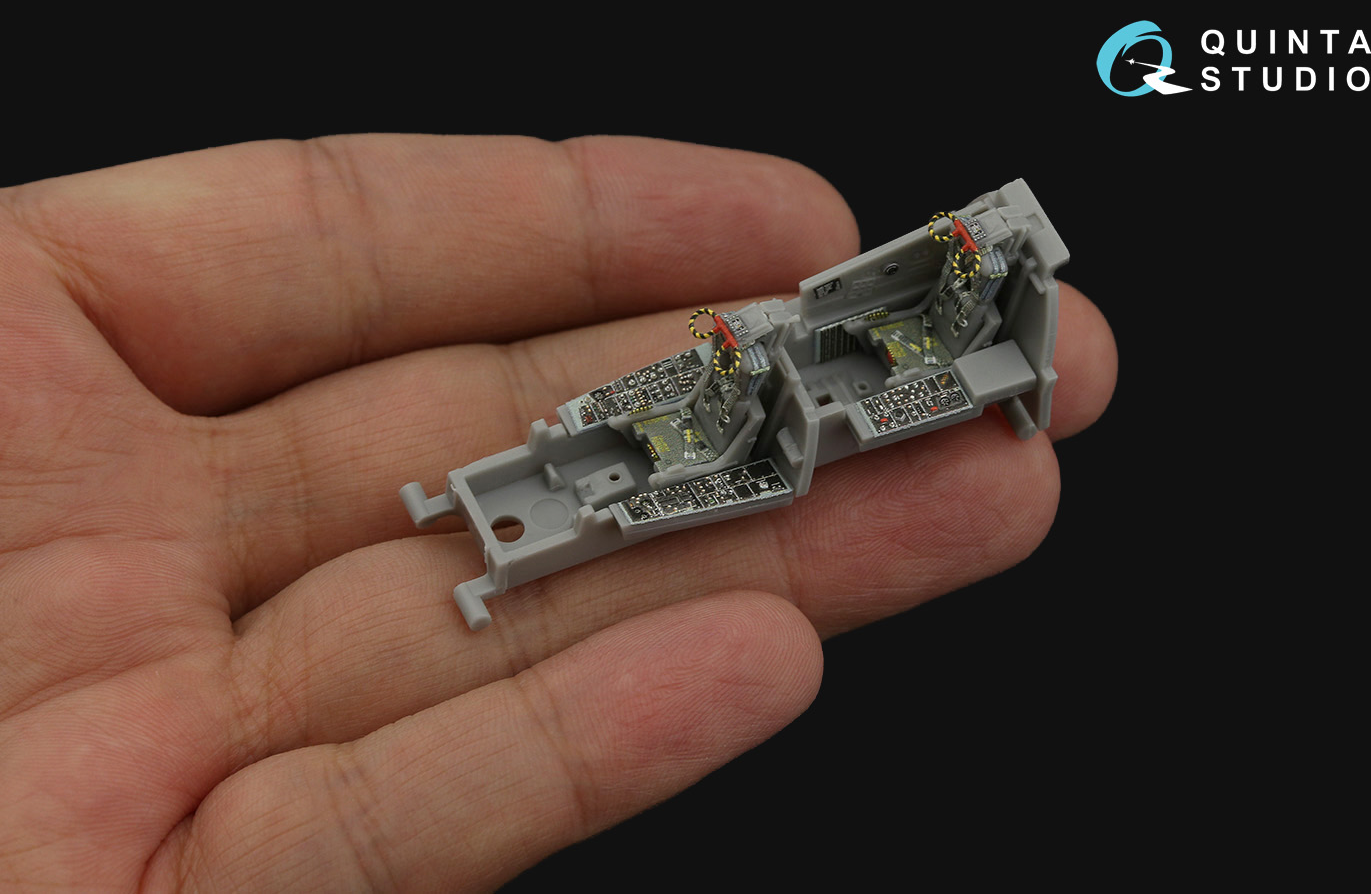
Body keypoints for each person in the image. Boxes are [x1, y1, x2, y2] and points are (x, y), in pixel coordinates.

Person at [0, 133, 1116, 891]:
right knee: (595, 444)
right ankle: (483, 514)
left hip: (804, 412)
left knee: (641, 471)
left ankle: (505, 529)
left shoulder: (962, 333)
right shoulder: (754, 359)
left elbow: (839, 375)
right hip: (753, 404)